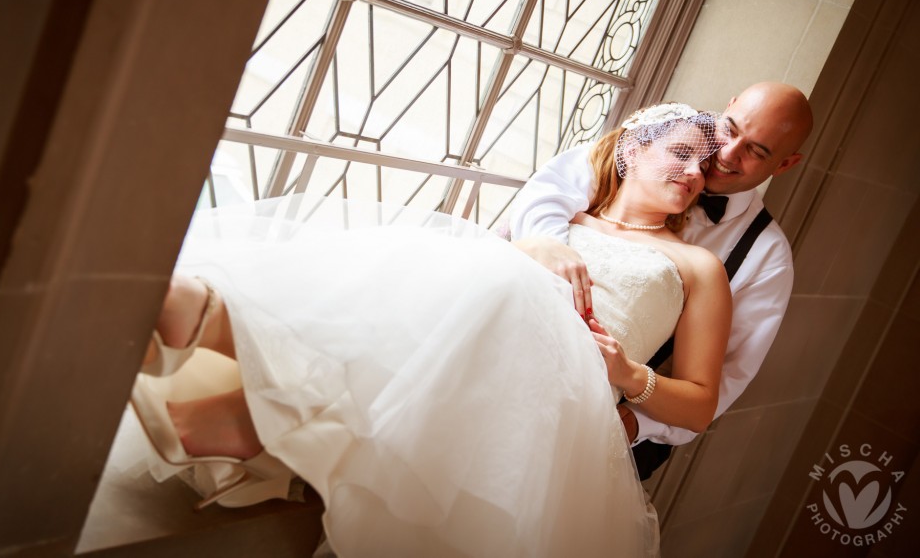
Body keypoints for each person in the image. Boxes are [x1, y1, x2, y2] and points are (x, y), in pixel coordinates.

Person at [129, 103, 731, 557]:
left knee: (496, 279)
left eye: (704, 165)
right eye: (679, 152)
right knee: (468, 258)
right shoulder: (554, 223)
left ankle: (222, 345)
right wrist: (530, 245)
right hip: (491, 356)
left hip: (566, 392)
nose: (693, 171)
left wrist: (627, 374)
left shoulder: (698, 266)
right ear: (630, 148)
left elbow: (702, 407)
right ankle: (236, 388)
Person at [509, 81, 813, 479]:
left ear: (785, 165)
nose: (726, 154)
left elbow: (725, 379)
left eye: (757, 151)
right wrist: (542, 243)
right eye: (731, 129)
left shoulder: (764, 256)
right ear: (727, 106)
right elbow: (545, 197)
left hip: (611, 424)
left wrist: (634, 421)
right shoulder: (657, 141)